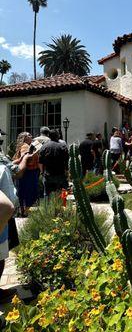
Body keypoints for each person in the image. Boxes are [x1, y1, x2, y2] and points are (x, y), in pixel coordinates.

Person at [0, 151, 32, 303]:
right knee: (1, 255)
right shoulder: (2, 168)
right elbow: (9, 203)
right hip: (2, 219)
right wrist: (25, 158)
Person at [13, 132, 40, 216]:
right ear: (24, 138)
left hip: (27, 172)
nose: (31, 136)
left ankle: (23, 211)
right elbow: (26, 157)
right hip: (28, 172)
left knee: (23, 191)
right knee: (29, 192)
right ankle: (25, 212)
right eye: (28, 135)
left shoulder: (27, 146)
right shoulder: (25, 146)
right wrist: (37, 152)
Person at [39, 129, 69, 198]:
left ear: (49, 136)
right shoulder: (62, 146)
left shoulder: (44, 146)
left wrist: (42, 172)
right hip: (60, 174)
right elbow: (66, 161)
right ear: (58, 136)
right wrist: (67, 171)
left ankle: (47, 208)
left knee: (47, 194)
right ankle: (59, 207)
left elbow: (40, 162)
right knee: (59, 193)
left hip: (48, 174)